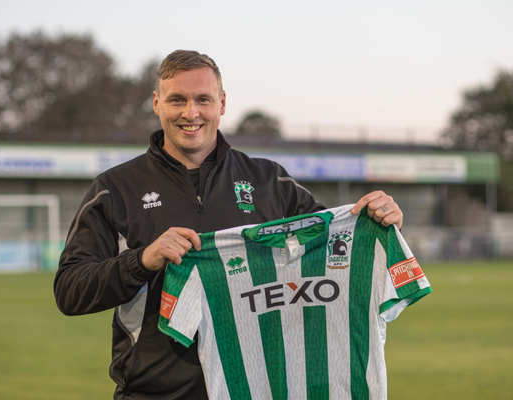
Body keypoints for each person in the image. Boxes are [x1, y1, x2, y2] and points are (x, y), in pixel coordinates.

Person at [54, 50, 404, 400]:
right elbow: (69, 290)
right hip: (154, 393)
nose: (190, 113)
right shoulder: (115, 188)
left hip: (256, 388)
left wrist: (378, 220)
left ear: (221, 103)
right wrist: (142, 260)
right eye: (177, 100)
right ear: (157, 103)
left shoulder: (269, 181)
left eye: (202, 100)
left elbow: (332, 247)